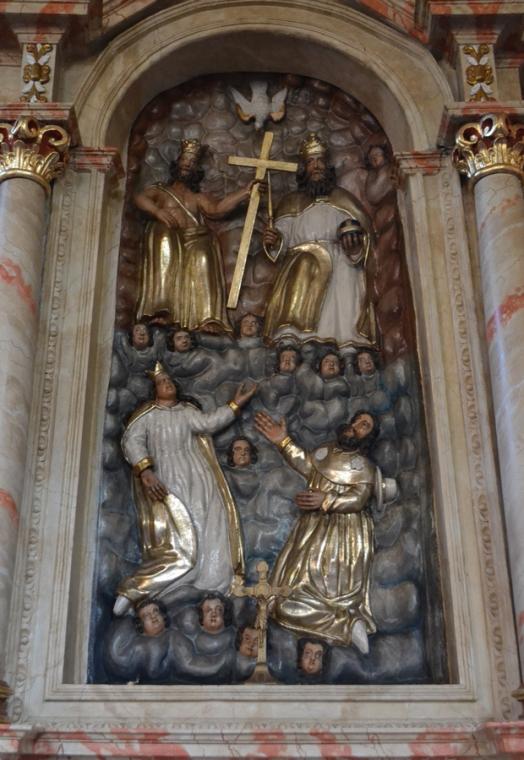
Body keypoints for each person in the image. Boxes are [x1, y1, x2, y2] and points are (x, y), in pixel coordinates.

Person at [113, 363, 256, 615]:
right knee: (177, 541)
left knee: (208, 527)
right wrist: (145, 471)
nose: (167, 384)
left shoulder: (186, 411)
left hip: (198, 478)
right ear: (155, 390)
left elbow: (208, 423)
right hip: (166, 482)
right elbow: (132, 441)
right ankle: (138, 591)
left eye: (169, 381)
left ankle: (209, 586)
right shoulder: (147, 416)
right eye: (162, 382)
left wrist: (235, 404)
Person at [255, 409, 391, 653]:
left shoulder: (365, 467)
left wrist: (326, 500)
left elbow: (359, 499)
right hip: (312, 529)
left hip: (343, 535)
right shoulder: (326, 451)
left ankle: (347, 622)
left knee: (326, 591)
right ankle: (346, 626)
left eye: (365, 425)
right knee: (281, 600)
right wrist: (283, 442)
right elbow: (307, 465)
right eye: (356, 420)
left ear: (368, 437)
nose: (356, 425)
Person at [262, 132, 376, 347]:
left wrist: (354, 246)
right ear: (304, 169)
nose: (316, 166)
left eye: (320, 161)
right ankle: (295, 339)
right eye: (311, 162)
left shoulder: (343, 199)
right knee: (304, 267)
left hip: (340, 259)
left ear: (327, 165)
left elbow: (364, 235)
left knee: (344, 282)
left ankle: (345, 342)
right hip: (301, 261)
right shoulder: (291, 201)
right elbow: (281, 238)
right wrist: (274, 239)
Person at [134, 138, 256, 332]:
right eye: (185, 160)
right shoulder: (161, 191)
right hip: (171, 236)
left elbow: (216, 209)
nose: (187, 165)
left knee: (203, 257)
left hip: (195, 238)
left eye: (192, 163)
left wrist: (245, 193)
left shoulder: (197, 197)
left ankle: (207, 318)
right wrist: (157, 212)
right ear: (177, 164)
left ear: (196, 170)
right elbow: (139, 198)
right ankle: (161, 309)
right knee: (164, 240)